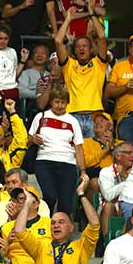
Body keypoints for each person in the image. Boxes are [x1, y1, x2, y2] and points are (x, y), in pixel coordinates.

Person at [28, 84, 85, 215]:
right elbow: (27, 141)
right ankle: (44, 224)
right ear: (51, 102)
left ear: (67, 103)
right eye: (57, 102)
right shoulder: (40, 117)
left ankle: (63, 226)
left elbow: (78, 148)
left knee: (65, 203)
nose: (60, 105)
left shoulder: (73, 121)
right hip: (44, 162)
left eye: (63, 102)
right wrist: (33, 139)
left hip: (68, 163)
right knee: (50, 196)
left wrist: (83, 171)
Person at [54, 5, 108, 138]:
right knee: (72, 151)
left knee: (95, 150)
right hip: (72, 116)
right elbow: (58, 41)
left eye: (85, 46)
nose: (81, 49)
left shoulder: (99, 64)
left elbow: (102, 37)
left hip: (95, 117)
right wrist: (68, 19)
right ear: (74, 50)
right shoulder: (69, 65)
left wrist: (91, 13)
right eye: (78, 46)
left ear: (91, 49)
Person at [99, 143, 133, 236]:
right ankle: (107, 240)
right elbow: (108, 196)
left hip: (131, 206)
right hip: (112, 209)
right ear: (118, 156)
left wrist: (127, 176)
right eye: (129, 153)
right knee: (108, 206)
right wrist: (127, 181)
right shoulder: (106, 172)